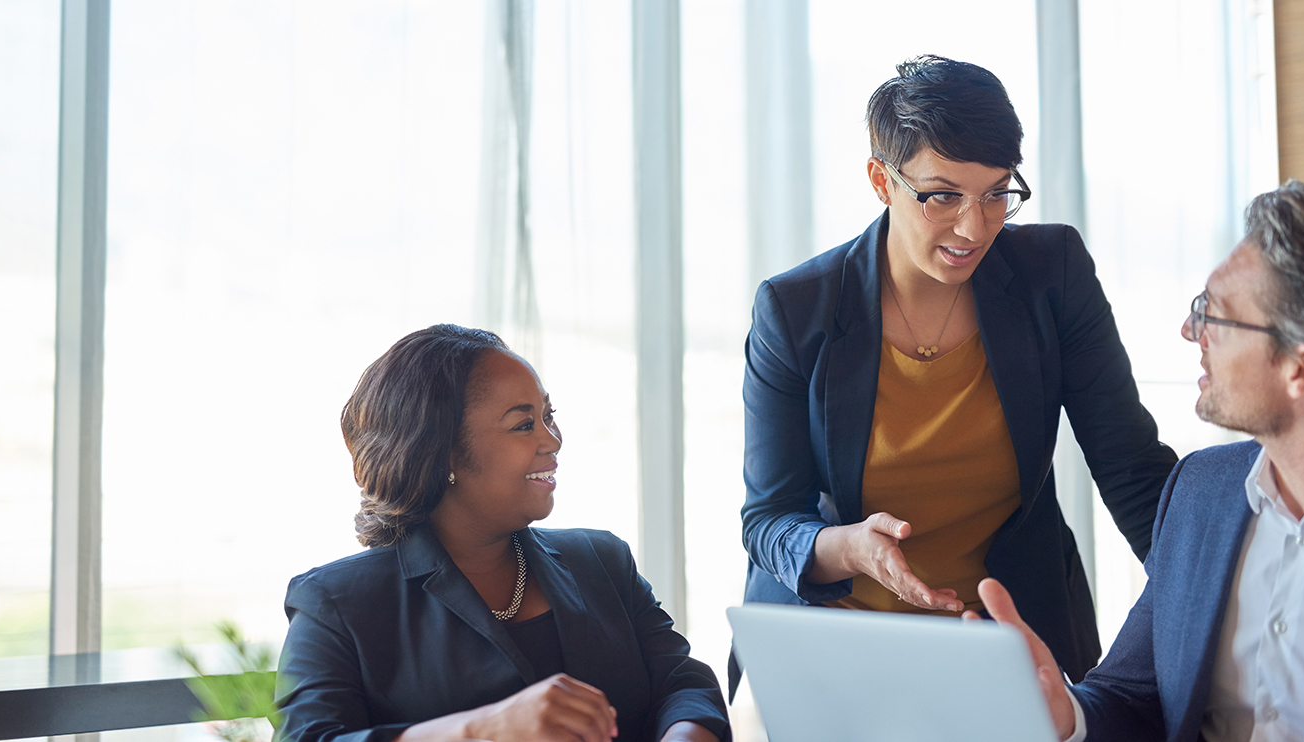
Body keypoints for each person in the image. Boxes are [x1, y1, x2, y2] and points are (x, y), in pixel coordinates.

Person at [738, 54, 1178, 690]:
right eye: (942, 196)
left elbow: (1131, 469)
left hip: (1008, 639)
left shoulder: (1051, 274)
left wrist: (1217, 605)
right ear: (880, 180)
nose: (975, 227)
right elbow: (769, 519)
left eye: (998, 193)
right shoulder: (796, 309)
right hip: (840, 641)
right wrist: (848, 547)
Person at [978, 181, 1304, 741]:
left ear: (1303, 370)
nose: (1192, 331)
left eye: (1215, 314)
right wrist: (1068, 713)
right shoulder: (1201, 492)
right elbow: (1131, 695)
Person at [276, 325, 729, 742]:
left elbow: (683, 683)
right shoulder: (334, 605)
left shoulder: (603, 560)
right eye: (524, 423)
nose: (553, 440)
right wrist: (485, 729)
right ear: (443, 452)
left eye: (550, 415)